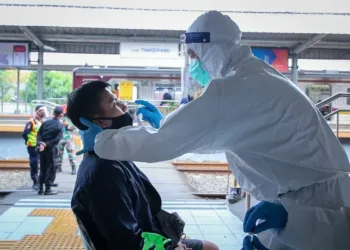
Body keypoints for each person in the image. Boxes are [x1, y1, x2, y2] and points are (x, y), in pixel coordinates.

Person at [80, 11, 350, 250]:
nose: (193, 64)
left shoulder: (235, 88)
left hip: (311, 206)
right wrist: (164, 125)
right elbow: (211, 135)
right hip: (306, 201)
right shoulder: (257, 76)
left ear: (211, 50)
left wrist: (104, 141)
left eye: (194, 56)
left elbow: (162, 144)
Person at [67, 80, 218, 250]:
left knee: (209, 247)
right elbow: (127, 243)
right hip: (142, 243)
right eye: (114, 103)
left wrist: (170, 241)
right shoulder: (104, 172)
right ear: (99, 122)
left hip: (151, 237)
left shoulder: (112, 155)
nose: (123, 106)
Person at [37, 106, 64, 195]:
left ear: (53, 113)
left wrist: (41, 143)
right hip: (51, 148)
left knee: (43, 167)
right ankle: (48, 188)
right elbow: (57, 139)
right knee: (51, 167)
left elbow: (39, 134)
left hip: (42, 148)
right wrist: (46, 144)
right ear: (61, 114)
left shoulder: (46, 123)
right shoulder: (59, 125)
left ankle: (40, 188)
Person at [22, 105, 46, 190]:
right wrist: (28, 141)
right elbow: (25, 133)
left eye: (43, 110)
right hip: (33, 146)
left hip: (41, 145)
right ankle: (35, 182)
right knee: (34, 164)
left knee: (43, 163)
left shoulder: (43, 121)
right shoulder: (31, 122)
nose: (43, 112)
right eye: (41, 110)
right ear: (36, 112)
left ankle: (43, 181)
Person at [57, 105, 77, 175]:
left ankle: (73, 167)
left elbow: (74, 127)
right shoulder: (59, 118)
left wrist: (67, 125)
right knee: (59, 153)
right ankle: (58, 167)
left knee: (71, 153)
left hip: (69, 138)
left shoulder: (71, 118)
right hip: (60, 138)